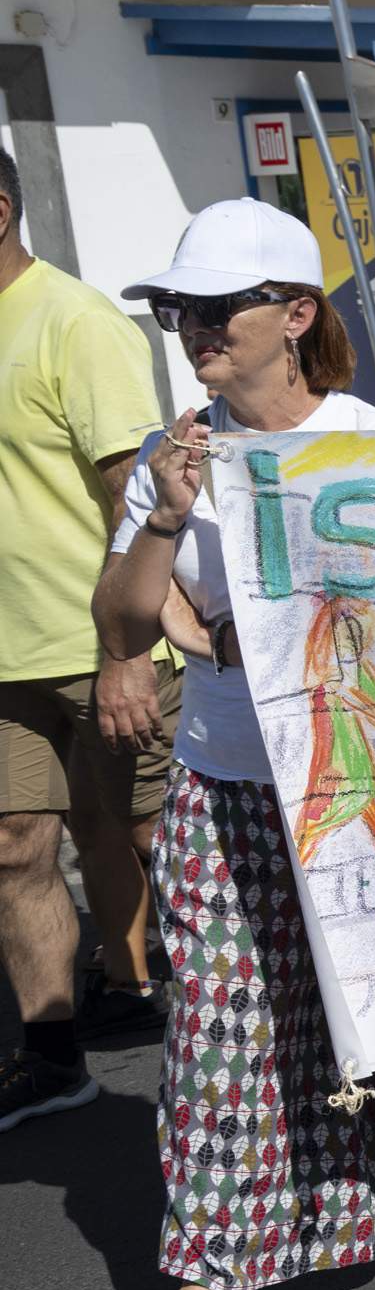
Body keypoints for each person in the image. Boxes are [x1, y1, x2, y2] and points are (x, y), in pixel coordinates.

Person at [77, 201, 375, 1290]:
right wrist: (166, 515)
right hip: (228, 778)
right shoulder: (179, 453)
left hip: (367, 778)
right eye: (176, 311)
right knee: (219, 1023)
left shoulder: (371, 445)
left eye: (212, 308)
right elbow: (120, 615)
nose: (192, 329)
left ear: (293, 315)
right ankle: (209, 1278)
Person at [0, 143, 173, 1126]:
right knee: (14, 847)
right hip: (4, 660)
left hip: (96, 648)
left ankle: (249, 1025)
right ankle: (54, 1054)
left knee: (154, 839)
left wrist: (128, 651)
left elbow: (134, 496)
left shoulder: (76, 321)